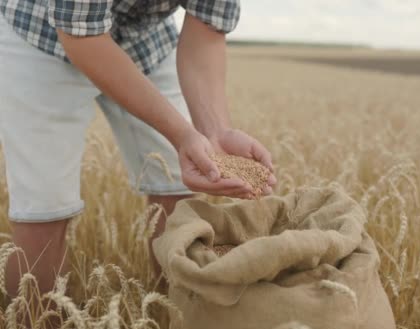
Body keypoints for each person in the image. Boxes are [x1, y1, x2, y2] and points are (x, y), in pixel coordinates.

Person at [0, 0, 276, 298]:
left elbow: (206, 29)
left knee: (177, 192)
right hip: (38, 34)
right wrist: (182, 133)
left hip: (145, 38)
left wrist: (215, 133)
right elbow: (82, 35)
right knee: (44, 211)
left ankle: (175, 317)